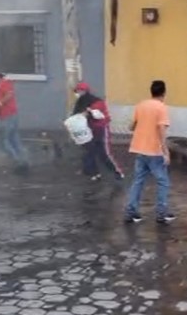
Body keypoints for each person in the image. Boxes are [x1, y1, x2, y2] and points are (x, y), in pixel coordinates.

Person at [125, 80, 175, 225]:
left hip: (139, 149)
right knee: (163, 181)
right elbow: (161, 130)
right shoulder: (161, 108)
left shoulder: (141, 105)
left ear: (151, 91)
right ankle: (161, 213)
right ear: (164, 93)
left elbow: (131, 126)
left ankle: (131, 212)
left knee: (138, 181)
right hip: (154, 151)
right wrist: (165, 151)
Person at [72, 82, 124, 181]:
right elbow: (75, 114)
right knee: (89, 151)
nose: (78, 93)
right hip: (88, 129)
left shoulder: (97, 101)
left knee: (103, 153)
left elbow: (95, 114)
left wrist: (85, 113)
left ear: (85, 91)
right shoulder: (80, 101)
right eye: (77, 91)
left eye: (79, 91)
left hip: (100, 128)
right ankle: (93, 173)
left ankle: (117, 172)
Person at [0, 69, 29, 172]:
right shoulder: (3, 84)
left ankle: (17, 161)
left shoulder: (4, 83)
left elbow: (9, 94)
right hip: (9, 115)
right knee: (14, 140)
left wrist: (0, 103)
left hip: (8, 116)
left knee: (3, 141)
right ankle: (23, 161)